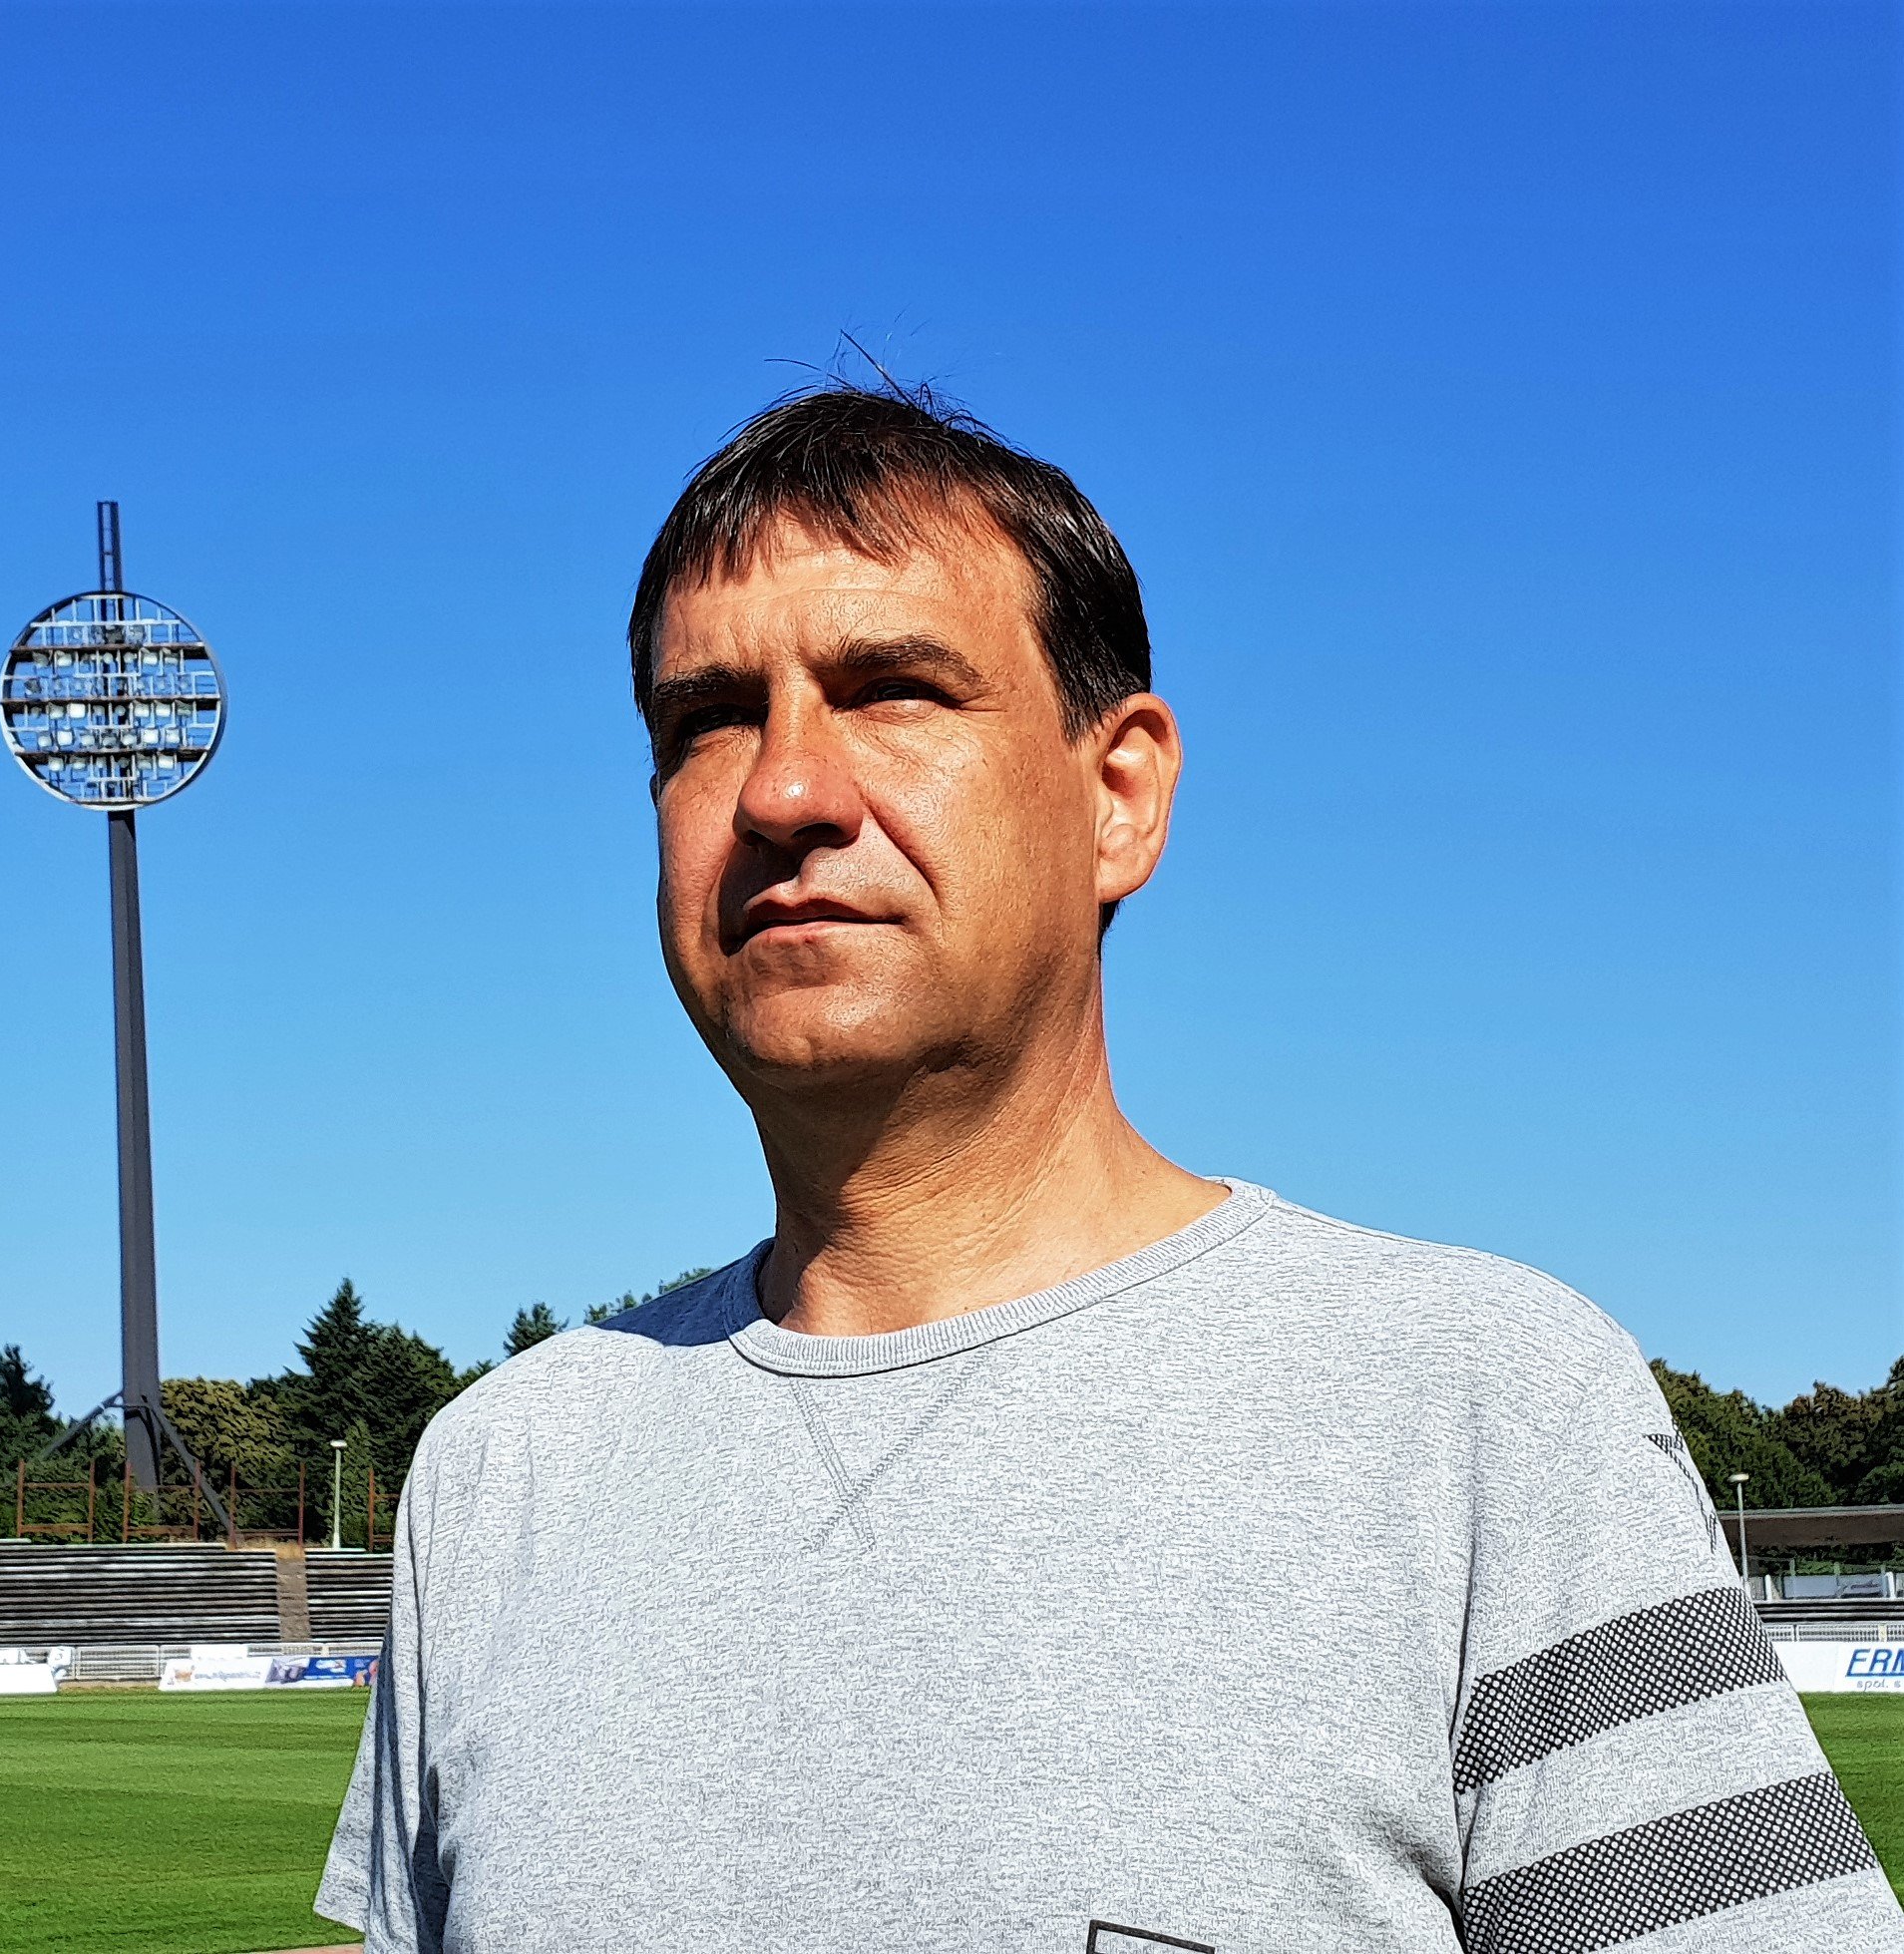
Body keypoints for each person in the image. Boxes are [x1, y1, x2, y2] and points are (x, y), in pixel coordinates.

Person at [315, 384, 1900, 1952]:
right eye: (706, 721)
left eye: (891, 689)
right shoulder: (502, 1476)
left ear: (1117, 798)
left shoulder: (1475, 1408)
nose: (784, 792)